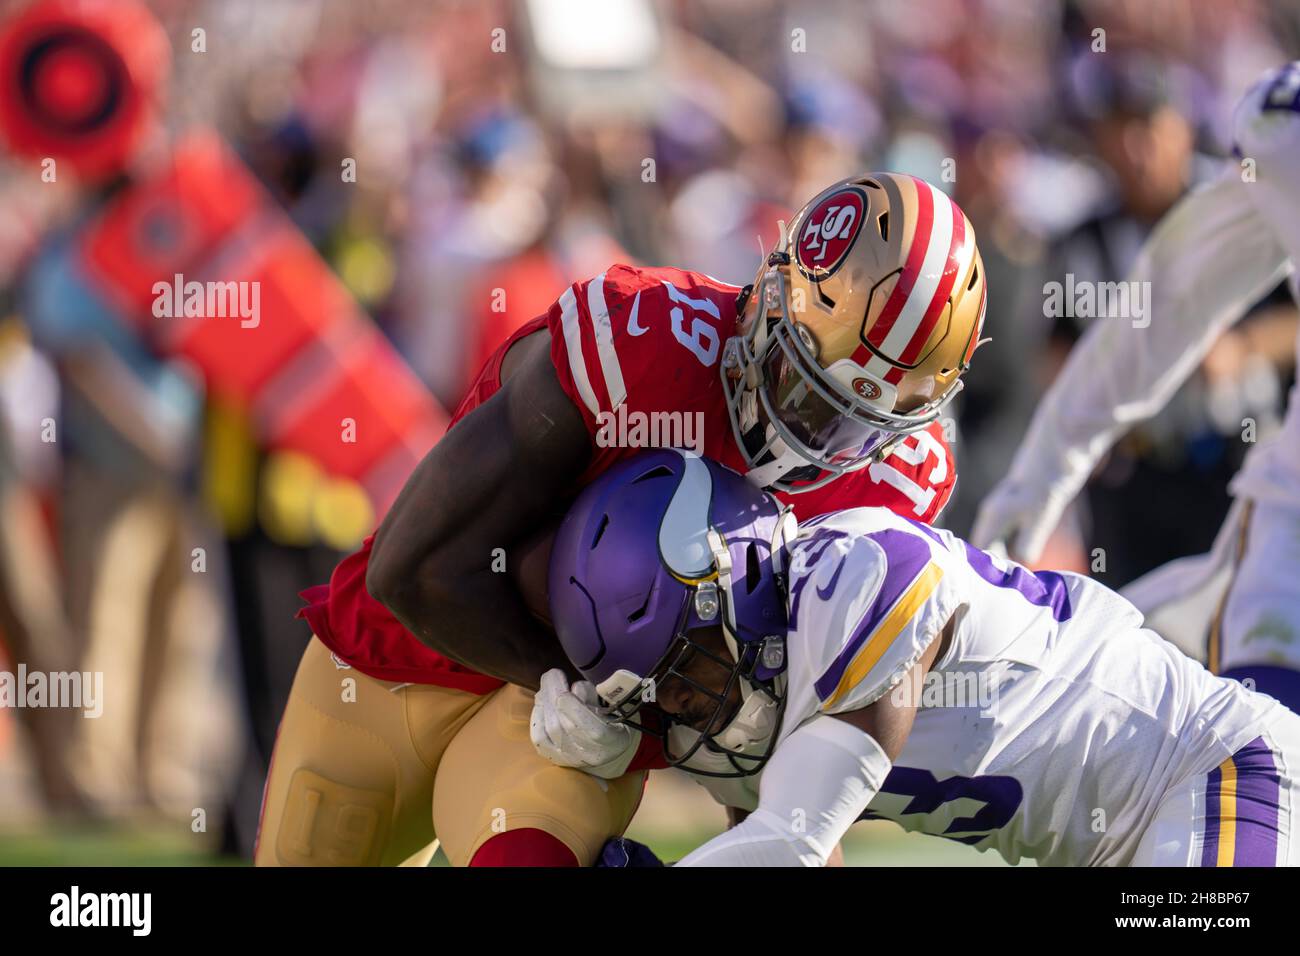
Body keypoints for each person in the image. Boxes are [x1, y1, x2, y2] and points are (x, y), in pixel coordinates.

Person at [256, 172, 989, 866]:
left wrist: (774, 825)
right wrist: (571, 685)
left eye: (850, 422)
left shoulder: (889, 488)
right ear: (773, 298)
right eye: (802, 385)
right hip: (406, 661)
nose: (813, 434)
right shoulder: (640, 342)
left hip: (567, 741)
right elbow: (412, 568)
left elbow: (793, 737)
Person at [538, 448, 1300, 866]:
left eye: (684, 669)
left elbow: (795, 839)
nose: (680, 709)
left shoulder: (862, 576)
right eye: (655, 698)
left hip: (1217, 771)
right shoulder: (748, 698)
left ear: (730, 583)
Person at [971, 62, 1300, 714]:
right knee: (1231, 695)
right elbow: (1141, 327)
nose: (1136, 146)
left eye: (1149, 125)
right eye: (1120, 128)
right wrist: (1042, 475)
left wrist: (1248, 349)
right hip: (1153, 472)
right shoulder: (1278, 134)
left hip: (1229, 456)